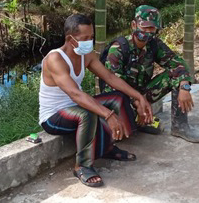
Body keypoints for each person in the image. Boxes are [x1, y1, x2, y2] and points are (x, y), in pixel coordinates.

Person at [39, 14, 153, 188]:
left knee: (118, 97)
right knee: (88, 113)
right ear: (70, 39)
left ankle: (107, 148)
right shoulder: (55, 59)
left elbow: (109, 77)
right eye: (84, 38)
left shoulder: (87, 55)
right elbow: (75, 94)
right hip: (53, 116)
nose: (89, 42)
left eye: (91, 37)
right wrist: (108, 115)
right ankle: (82, 166)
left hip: (76, 107)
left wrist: (138, 96)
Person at [102, 5, 199, 143]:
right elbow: (113, 83)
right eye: (145, 27)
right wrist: (137, 102)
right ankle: (137, 120)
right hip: (119, 99)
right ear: (134, 25)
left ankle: (180, 126)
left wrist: (184, 87)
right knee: (123, 134)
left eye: (152, 28)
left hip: (141, 95)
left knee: (174, 76)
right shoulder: (119, 48)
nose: (148, 32)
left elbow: (177, 64)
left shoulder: (153, 44)